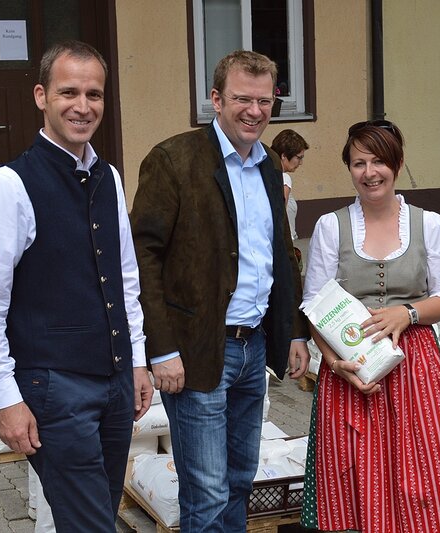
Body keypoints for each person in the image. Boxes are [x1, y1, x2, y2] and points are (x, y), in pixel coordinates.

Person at [0, 40, 152, 532]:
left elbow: (124, 276)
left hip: (111, 383)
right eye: (69, 92)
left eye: (95, 94)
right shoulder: (8, 187)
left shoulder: (108, 175)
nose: (83, 106)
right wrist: (6, 397)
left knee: (96, 516)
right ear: (41, 96)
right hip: (52, 388)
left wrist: (135, 361)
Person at [130, 50, 310, 532]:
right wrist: (160, 348)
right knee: (206, 490)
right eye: (242, 99)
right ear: (215, 99)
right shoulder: (173, 160)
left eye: (265, 100)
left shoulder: (270, 166)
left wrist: (293, 331)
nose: (255, 111)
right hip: (196, 349)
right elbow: (142, 258)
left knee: (238, 480)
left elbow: (281, 252)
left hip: (252, 348)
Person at [300, 120, 440, 533]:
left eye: (378, 160)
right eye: (358, 162)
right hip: (349, 366)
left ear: (396, 164)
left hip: (413, 367)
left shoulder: (426, 223)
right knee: (353, 472)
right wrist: (332, 363)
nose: (369, 172)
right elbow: (313, 306)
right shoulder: (330, 226)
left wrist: (408, 313)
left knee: (421, 477)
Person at [271, 129, 309, 241]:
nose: (301, 163)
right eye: (299, 157)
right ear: (284, 155)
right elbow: (279, 216)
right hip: (283, 242)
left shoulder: (267, 174)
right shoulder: (284, 179)